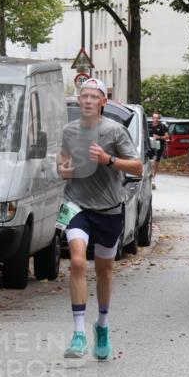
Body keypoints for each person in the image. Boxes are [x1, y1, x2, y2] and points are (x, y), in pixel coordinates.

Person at [56, 77, 143, 360]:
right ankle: (79, 333)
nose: (89, 101)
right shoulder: (69, 131)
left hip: (108, 209)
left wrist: (108, 160)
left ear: (103, 101)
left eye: (95, 96)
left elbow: (138, 167)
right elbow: (63, 162)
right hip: (76, 205)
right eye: (84, 96)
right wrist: (63, 168)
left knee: (104, 270)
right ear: (79, 100)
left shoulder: (115, 132)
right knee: (78, 261)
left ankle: (102, 326)